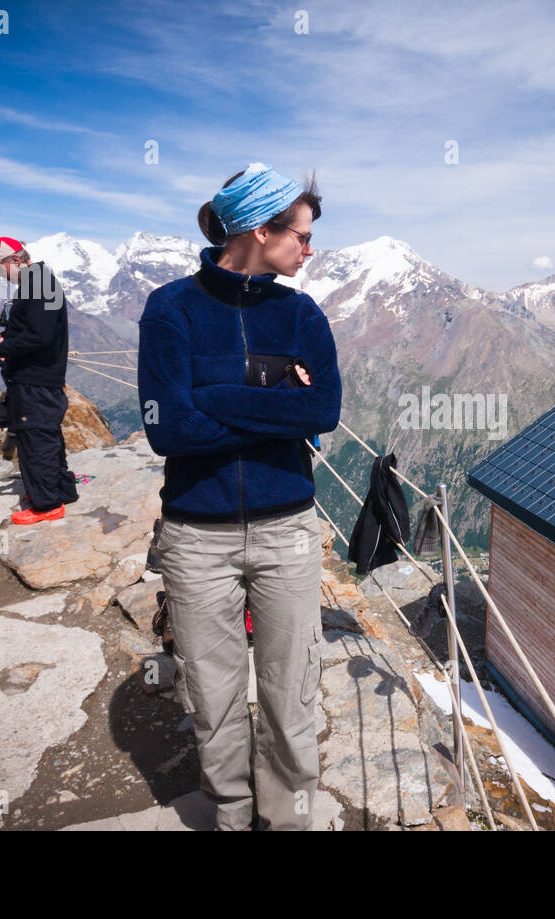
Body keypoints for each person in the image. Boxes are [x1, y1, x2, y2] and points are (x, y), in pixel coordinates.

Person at [137, 163, 340, 831]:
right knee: (213, 695)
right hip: (198, 536)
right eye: (303, 236)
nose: (310, 250)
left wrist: (216, 396)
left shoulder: (301, 313)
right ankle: (231, 817)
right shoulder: (171, 309)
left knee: (291, 696)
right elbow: (169, 429)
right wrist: (279, 401)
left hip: (287, 531)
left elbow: (326, 409)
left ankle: (287, 822)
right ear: (260, 229)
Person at [0, 236, 79, 524]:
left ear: (13, 261)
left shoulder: (38, 285)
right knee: (46, 436)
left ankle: (47, 505)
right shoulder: (39, 282)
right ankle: (61, 490)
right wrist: (4, 339)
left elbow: (40, 337)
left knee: (34, 439)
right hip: (41, 378)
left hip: (35, 380)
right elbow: (35, 331)